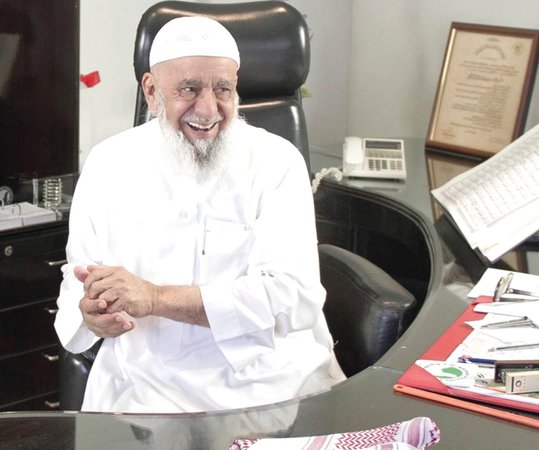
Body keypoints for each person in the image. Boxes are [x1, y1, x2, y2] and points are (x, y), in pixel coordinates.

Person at [54, 16, 345, 413]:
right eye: (189, 89)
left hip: (269, 380)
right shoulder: (108, 163)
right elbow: (79, 276)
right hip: (145, 381)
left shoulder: (278, 162)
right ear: (152, 91)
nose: (208, 110)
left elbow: (292, 298)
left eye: (223, 89)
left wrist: (155, 298)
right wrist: (90, 315)